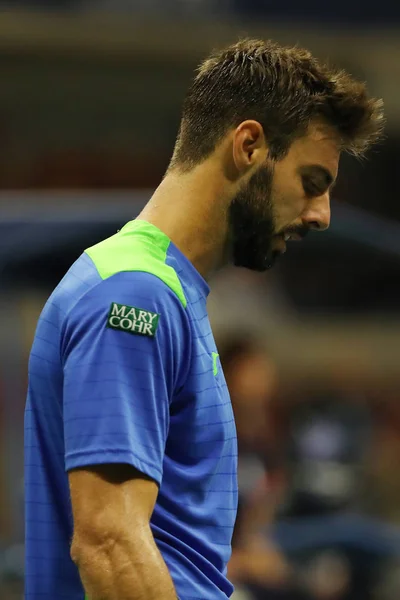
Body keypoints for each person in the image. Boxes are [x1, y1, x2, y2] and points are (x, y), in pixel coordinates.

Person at [24, 38, 384, 600]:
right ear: (248, 146)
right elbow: (110, 545)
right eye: (312, 183)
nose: (322, 215)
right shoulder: (134, 297)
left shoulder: (163, 292)